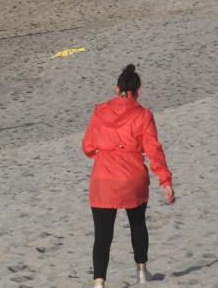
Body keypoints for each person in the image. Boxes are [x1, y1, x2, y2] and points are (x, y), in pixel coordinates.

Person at [83, 65, 175, 287]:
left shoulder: (101, 112)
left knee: (102, 234)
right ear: (138, 90)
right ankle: (141, 271)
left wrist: (105, 148)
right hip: (132, 176)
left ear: (117, 89)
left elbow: (87, 147)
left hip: (104, 177)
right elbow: (153, 149)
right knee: (137, 223)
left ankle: (99, 282)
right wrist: (165, 180)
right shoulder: (143, 115)